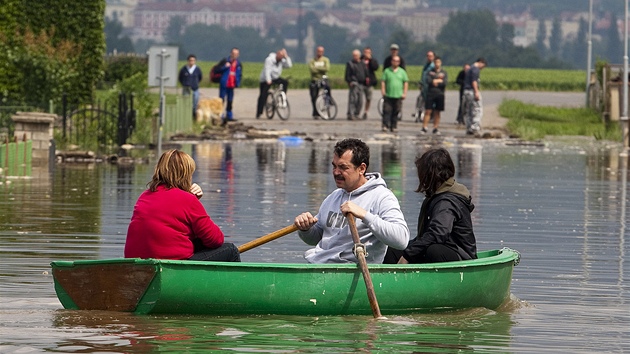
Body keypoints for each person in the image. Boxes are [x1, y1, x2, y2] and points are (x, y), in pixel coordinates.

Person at [294, 138, 410, 264]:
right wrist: (305, 229)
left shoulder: (381, 197)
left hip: (351, 271)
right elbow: (317, 238)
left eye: (343, 167)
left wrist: (364, 215)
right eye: (334, 166)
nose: (336, 172)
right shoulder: (334, 196)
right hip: (319, 266)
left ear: (361, 169)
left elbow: (401, 240)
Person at [124, 149, 240, 262]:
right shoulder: (188, 200)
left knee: (199, 241)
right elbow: (216, 240)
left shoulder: (144, 196)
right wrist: (194, 200)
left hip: (138, 264)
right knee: (231, 250)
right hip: (170, 265)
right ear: (185, 175)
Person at [383, 148, 477, 264]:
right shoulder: (437, 195)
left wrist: (408, 256)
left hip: (460, 257)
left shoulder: (447, 202)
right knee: (394, 249)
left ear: (429, 174)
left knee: (434, 250)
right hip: (442, 249)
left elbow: (437, 233)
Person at [256, 49, 292, 119]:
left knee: (285, 82)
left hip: (275, 77)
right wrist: (268, 80)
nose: (281, 58)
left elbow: (289, 65)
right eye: (280, 56)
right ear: (277, 55)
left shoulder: (281, 60)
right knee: (263, 95)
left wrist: (286, 57)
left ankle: (282, 97)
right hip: (265, 78)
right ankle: (259, 112)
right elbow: (267, 70)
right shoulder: (269, 60)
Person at [380, 55, 408, 132]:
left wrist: (404, 93)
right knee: (387, 110)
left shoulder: (402, 72)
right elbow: (383, 81)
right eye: (394, 61)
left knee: (396, 111)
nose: (395, 62)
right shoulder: (387, 71)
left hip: (398, 95)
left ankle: (394, 126)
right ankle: (385, 125)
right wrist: (383, 91)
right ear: (391, 61)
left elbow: (405, 82)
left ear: (399, 62)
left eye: (397, 61)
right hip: (388, 94)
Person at [421, 56, 448, 135]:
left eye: (438, 62)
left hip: (440, 93)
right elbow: (428, 81)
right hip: (431, 93)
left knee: (437, 111)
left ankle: (435, 127)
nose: (437, 64)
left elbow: (444, 82)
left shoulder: (444, 72)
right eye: (436, 62)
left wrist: (436, 81)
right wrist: (437, 80)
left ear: (441, 63)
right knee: (428, 110)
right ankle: (424, 127)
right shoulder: (430, 72)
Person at [463, 57, 488, 135]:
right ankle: (475, 127)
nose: (482, 69)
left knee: (468, 110)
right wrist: (476, 92)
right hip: (472, 91)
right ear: (481, 63)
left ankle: (469, 127)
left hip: (466, 91)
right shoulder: (475, 69)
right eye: (483, 67)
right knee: (477, 109)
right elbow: (474, 81)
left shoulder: (470, 69)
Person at [217, 47, 243, 125]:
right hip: (224, 83)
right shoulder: (225, 61)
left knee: (230, 100)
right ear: (231, 53)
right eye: (234, 53)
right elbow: (217, 70)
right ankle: (220, 115)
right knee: (221, 100)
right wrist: (225, 67)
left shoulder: (238, 64)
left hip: (232, 85)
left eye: (237, 54)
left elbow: (239, 74)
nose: (235, 55)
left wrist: (237, 82)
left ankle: (229, 115)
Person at [345, 49, 368, 120]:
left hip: (361, 84)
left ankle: (357, 114)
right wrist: (350, 82)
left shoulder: (363, 64)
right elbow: (347, 75)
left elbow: (365, 73)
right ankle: (351, 114)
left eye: (356, 55)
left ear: (359, 56)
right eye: (354, 55)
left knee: (360, 101)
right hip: (354, 83)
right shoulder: (350, 64)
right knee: (353, 100)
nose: (355, 57)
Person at [308, 45, 330, 119]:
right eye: (318, 51)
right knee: (314, 96)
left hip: (323, 79)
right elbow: (312, 70)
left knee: (328, 89)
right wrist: (321, 69)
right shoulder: (312, 61)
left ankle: (328, 104)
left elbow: (326, 68)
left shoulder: (325, 60)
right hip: (315, 80)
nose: (319, 53)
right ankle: (315, 112)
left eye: (321, 51)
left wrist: (317, 68)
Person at [178, 54, 203, 119]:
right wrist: (184, 84)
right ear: (188, 61)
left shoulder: (197, 69)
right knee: (186, 103)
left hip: (195, 88)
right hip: (186, 88)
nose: (191, 62)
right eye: (190, 60)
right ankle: (186, 116)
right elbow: (180, 78)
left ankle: (194, 116)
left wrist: (196, 83)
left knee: (195, 103)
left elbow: (200, 77)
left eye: (193, 60)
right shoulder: (184, 69)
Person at [361, 46, 379, 120]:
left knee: (368, 98)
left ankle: (366, 111)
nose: (366, 54)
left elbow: (375, 68)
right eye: (365, 52)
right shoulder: (360, 60)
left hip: (370, 82)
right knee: (359, 98)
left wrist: (370, 60)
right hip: (361, 81)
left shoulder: (373, 60)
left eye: (368, 52)